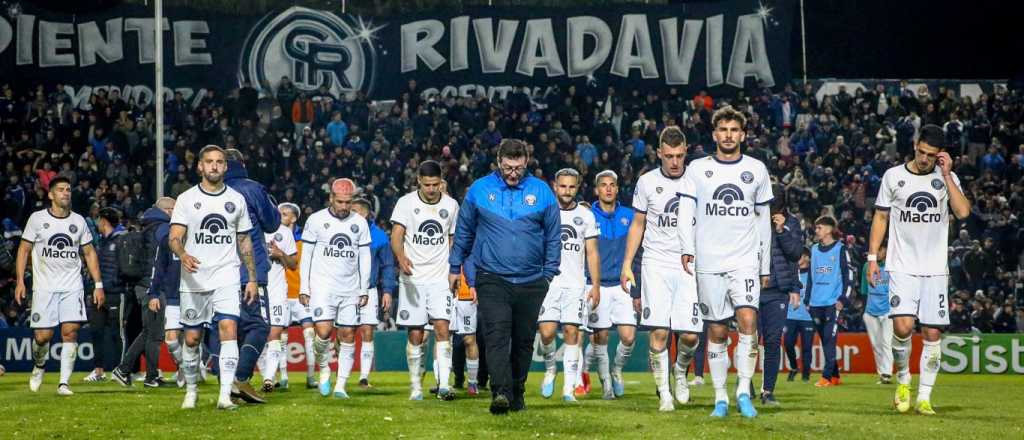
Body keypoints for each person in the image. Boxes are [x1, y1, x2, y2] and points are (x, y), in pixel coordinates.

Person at [449, 138, 561, 415]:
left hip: (532, 280)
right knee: (496, 335)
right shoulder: (479, 190)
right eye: (508, 167)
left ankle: (517, 392)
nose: (513, 173)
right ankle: (500, 392)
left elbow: (553, 236)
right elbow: (464, 232)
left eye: (518, 168)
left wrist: (547, 274)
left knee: (523, 341)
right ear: (499, 162)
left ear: (526, 163)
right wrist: (455, 267)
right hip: (492, 277)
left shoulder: (542, 192)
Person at [867, 124, 971, 415]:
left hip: (936, 269)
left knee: (932, 334)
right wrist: (873, 258)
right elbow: (880, 217)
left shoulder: (945, 178)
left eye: (931, 155)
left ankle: (924, 397)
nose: (925, 159)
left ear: (940, 155)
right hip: (901, 266)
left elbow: (963, 212)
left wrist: (948, 174)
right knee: (902, 327)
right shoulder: (894, 176)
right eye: (922, 152)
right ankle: (903, 380)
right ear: (915, 144)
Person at [678, 106, 773, 419]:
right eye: (723, 130)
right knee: (717, 331)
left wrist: (764, 265)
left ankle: (744, 391)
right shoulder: (696, 169)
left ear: (743, 135)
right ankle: (721, 397)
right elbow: (685, 213)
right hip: (708, 260)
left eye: (734, 130)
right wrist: (686, 248)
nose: (729, 135)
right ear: (715, 134)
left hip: (744, 258)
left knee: (748, 320)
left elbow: (764, 222)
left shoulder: (756, 169)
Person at [168, 145, 260, 410]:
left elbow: (244, 241)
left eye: (219, 162)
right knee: (192, 338)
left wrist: (251, 277)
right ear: (200, 166)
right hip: (195, 276)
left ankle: (224, 396)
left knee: (228, 328)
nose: (214, 166)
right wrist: (183, 254)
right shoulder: (186, 199)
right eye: (209, 162)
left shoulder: (236, 199)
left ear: (225, 167)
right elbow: (175, 237)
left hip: (226, 274)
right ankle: (192, 391)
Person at [624, 126, 703, 412]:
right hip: (655, 263)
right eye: (668, 156)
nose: (674, 162)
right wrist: (626, 264)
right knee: (659, 332)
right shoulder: (646, 182)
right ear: (659, 153)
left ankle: (680, 371)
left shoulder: (696, 181)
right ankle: (664, 393)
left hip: (689, 265)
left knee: (691, 335)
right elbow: (638, 224)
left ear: (686, 153)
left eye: (679, 156)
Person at [15, 176, 105, 396]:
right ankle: (39, 365)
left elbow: (89, 253)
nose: (66, 193)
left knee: (70, 332)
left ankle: (64, 383)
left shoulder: (79, 221)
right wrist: (20, 281)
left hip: (72, 286)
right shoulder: (37, 219)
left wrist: (98, 284)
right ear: (51, 195)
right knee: (42, 337)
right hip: (44, 287)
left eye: (68, 190)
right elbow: (24, 250)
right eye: (61, 190)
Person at [214, 148, 281, 404]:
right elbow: (272, 223)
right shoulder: (252, 189)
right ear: (242, 164)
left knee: (231, 328)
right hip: (247, 270)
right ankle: (239, 379)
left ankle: (229, 382)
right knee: (258, 326)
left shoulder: (210, 191)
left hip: (217, 272)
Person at [390, 160, 460, 401]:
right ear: (418, 180)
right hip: (413, 277)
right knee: (416, 334)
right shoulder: (406, 203)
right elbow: (397, 236)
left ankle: (444, 385)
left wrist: (455, 269)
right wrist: (401, 257)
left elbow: (452, 240)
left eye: (436, 184)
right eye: (427, 184)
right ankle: (416, 386)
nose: (431, 189)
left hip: (441, 277)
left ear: (441, 182)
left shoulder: (451, 205)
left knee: (443, 328)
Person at [299, 178, 371, 399]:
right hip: (322, 287)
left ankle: (341, 385)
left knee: (348, 334)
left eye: (348, 202)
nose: (343, 207)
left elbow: (364, 256)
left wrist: (364, 289)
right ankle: (323, 368)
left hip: (349, 288)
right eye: (339, 202)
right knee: (323, 333)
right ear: (331, 198)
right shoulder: (316, 220)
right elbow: (307, 255)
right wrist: (304, 287)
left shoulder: (359, 222)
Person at [536, 168, 601, 403]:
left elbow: (592, 253)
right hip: (548, 284)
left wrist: (595, 285)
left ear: (578, 187)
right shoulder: (544, 212)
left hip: (575, 284)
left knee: (573, 332)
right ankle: (551, 369)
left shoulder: (586, 215)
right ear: (555, 186)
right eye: (563, 186)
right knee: (547, 333)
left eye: (571, 187)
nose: (567, 191)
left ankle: (568, 389)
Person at [584, 170, 640, 401]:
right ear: (597, 190)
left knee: (628, 337)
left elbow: (638, 252)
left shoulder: (630, 215)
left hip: (622, 285)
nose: (608, 188)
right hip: (596, 284)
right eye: (603, 185)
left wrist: (638, 289)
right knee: (601, 336)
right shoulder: (587, 215)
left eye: (612, 185)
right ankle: (606, 382)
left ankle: (616, 370)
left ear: (617, 189)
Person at [112, 197, 178, 388]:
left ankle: (128, 371)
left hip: (144, 284)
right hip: (152, 286)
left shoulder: (149, 226)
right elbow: (157, 261)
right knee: (155, 334)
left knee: (149, 331)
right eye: (175, 209)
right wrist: (155, 291)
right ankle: (145, 376)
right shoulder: (163, 228)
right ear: (168, 210)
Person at [757, 186, 803, 405]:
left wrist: (782, 230)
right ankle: (745, 387)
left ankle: (768, 391)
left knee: (773, 340)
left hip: (777, 291)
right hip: (752, 286)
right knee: (750, 340)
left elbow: (795, 254)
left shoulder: (791, 222)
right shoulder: (751, 217)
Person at [351, 197, 396, 389]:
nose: (351, 214)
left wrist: (387, 291)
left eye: (355, 211)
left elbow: (387, 265)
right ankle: (341, 371)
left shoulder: (378, 236)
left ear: (366, 213)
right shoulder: (342, 230)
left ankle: (363, 377)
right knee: (343, 332)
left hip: (368, 290)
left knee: (367, 330)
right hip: (344, 288)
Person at [804, 216, 852, 387]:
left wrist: (843, 298)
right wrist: (807, 299)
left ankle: (826, 377)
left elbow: (849, 275)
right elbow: (810, 277)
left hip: (833, 303)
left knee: (829, 339)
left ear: (829, 230)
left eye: (819, 228)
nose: (816, 231)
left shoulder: (840, 249)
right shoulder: (814, 249)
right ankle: (836, 376)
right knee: (825, 340)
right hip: (816, 303)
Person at [84, 207, 130, 383]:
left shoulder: (122, 239)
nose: (97, 224)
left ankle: (122, 370)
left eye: (98, 220)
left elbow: (127, 267)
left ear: (104, 221)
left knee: (117, 333)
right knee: (96, 331)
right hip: (98, 292)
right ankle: (98, 371)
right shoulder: (102, 241)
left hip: (116, 293)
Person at [257, 202, 298, 393]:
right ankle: (266, 373)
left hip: (276, 290)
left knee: (274, 333)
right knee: (258, 334)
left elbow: (292, 264)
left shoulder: (285, 233)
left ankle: (268, 378)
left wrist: (280, 253)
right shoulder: (253, 229)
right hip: (254, 288)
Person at [278, 202, 317, 389]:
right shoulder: (274, 238)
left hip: (301, 293)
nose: (280, 217)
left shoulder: (305, 240)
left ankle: (311, 376)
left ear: (293, 218)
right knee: (281, 337)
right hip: (282, 293)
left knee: (309, 333)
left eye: (284, 214)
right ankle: (283, 377)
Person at [861, 243, 893, 384]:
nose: (878, 252)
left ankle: (887, 373)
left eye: (881, 249)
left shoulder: (893, 266)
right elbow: (863, 290)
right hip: (870, 311)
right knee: (876, 344)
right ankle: (881, 373)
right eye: (876, 249)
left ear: (887, 249)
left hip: (888, 311)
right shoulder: (866, 267)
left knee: (886, 343)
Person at [453, 256, 481, 396]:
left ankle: (472, 382)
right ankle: (441, 383)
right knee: (442, 337)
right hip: (443, 291)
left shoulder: (472, 237)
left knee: (469, 340)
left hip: (466, 296)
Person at [785, 249, 814, 383]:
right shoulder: (791, 274)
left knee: (807, 348)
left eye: (800, 256)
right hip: (790, 315)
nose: (797, 258)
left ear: (807, 258)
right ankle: (794, 367)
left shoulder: (813, 275)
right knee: (788, 344)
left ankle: (806, 375)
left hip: (807, 317)